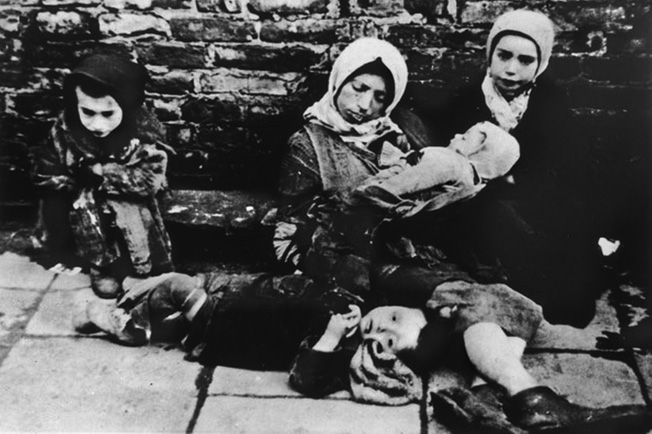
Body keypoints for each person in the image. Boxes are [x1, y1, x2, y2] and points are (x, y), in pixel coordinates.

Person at [419, 9, 605, 327]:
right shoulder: (464, 102)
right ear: (490, 55)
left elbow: (565, 170)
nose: (511, 70)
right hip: (477, 211)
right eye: (503, 56)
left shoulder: (551, 104)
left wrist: (521, 179)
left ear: (540, 64)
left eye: (525, 60)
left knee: (570, 296)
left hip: (537, 208)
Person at [289, 280, 652, 433]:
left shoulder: (398, 323)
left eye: (392, 322)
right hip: (455, 298)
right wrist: (331, 336)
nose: (379, 327)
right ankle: (527, 397)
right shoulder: (361, 334)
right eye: (388, 334)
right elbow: (311, 378)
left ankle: (486, 401)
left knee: (483, 305)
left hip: (458, 312)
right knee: (483, 300)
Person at [32, 53, 174, 299]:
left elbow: (148, 181)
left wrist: (101, 173)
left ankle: (139, 263)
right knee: (73, 206)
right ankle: (102, 263)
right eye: (88, 112)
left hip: (127, 202)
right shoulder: (66, 129)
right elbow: (47, 167)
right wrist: (71, 180)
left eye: (108, 114)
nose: (97, 124)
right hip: (85, 208)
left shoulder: (143, 136)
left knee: (128, 211)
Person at [348, 120, 520, 219]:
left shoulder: (450, 162)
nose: (457, 135)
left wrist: (373, 190)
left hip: (389, 189)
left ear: (479, 154)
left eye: (464, 137)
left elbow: (412, 180)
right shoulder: (473, 184)